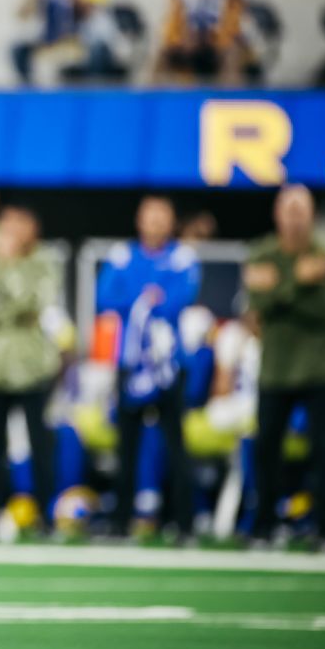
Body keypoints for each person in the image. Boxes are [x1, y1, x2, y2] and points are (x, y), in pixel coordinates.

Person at [96, 195, 201, 539]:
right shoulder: (122, 255)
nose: (155, 222)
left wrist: (140, 299)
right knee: (127, 446)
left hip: (169, 365)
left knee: (175, 445)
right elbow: (105, 297)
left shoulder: (183, 257)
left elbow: (178, 299)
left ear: (171, 222)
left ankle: (182, 522)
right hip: (130, 363)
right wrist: (145, 297)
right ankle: (120, 521)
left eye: (162, 216)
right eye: (149, 215)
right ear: (139, 220)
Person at [244, 185, 325, 546]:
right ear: (277, 214)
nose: (295, 217)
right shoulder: (262, 252)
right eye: (289, 209)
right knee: (265, 447)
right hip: (275, 368)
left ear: (312, 215)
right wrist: (298, 281)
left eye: (302, 209)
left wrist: (278, 290)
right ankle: (264, 525)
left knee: (324, 450)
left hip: (316, 367)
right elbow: (258, 307)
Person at [0, 205, 61, 532]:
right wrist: (6, 308)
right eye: (6, 226)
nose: (10, 234)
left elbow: (34, 301)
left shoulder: (43, 260)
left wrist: (7, 274)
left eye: (18, 225)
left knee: (40, 442)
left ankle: (45, 514)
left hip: (31, 365)